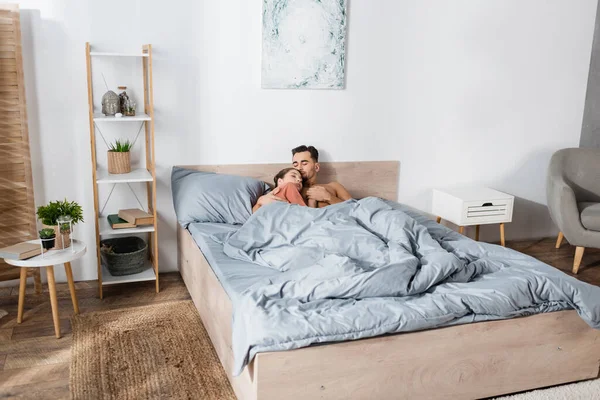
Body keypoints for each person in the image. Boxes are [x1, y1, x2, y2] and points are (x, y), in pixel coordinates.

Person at [252, 168, 316, 213]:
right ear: (280, 181)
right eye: (293, 176)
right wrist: (312, 203)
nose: (299, 180)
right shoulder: (289, 185)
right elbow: (305, 214)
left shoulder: (267, 198)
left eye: (301, 180)